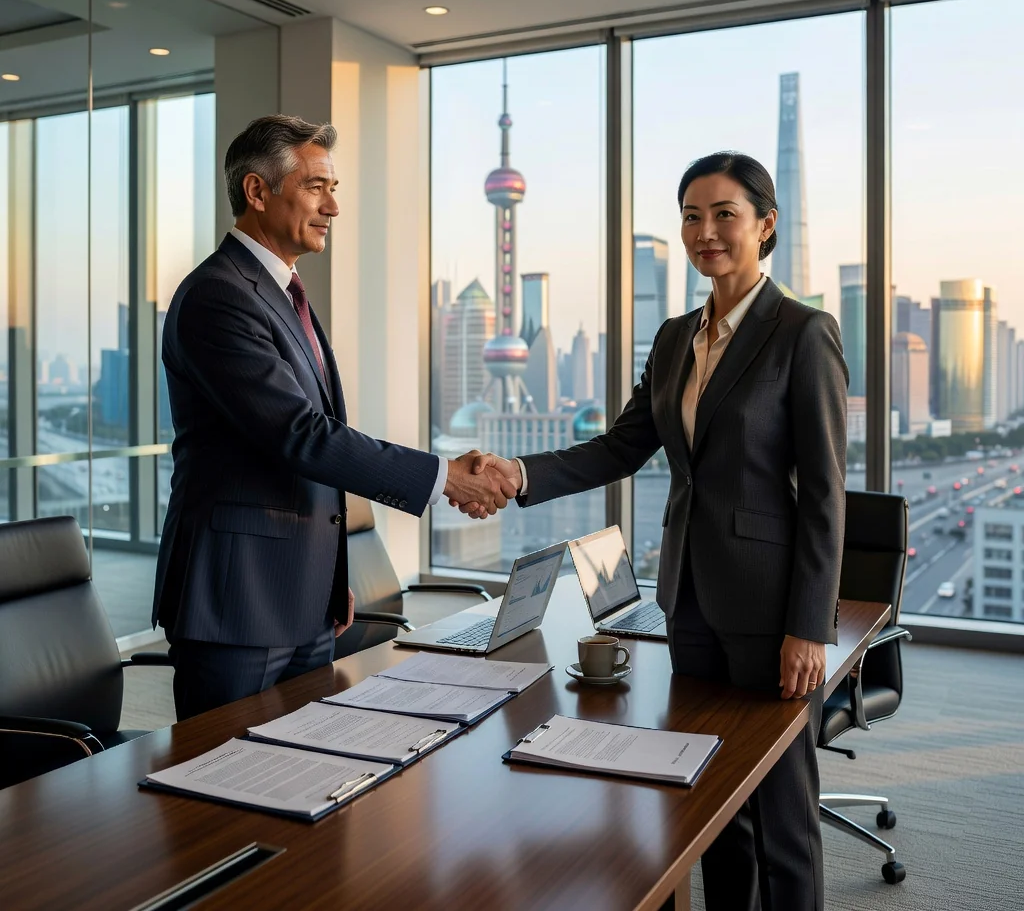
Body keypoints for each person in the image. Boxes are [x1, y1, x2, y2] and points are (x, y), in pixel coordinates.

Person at [464, 152, 848, 911]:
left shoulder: (804, 332)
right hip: (689, 601)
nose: (706, 231)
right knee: (711, 797)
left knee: (782, 813)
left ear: (765, 226)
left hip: (771, 610)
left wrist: (809, 626)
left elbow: (826, 493)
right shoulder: (676, 338)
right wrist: (518, 473)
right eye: (692, 216)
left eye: (725, 214)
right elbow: (619, 448)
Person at [153, 114, 515, 721]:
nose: (334, 207)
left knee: (305, 775)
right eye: (317, 187)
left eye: (335, 189)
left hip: (303, 596)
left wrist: (329, 576)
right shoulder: (219, 295)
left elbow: (308, 454)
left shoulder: (284, 292)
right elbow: (300, 436)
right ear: (257, 191)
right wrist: (444, 476)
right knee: (222, 789)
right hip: (237, 598)